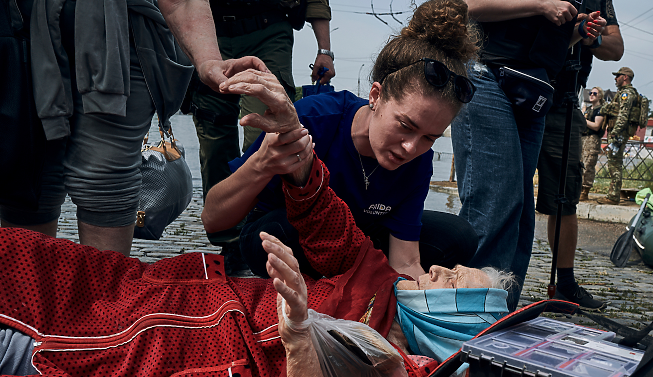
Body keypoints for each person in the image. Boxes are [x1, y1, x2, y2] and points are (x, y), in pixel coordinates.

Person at [0, 128, 510, 377]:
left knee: (52, 346)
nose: (435, 271)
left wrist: (300, 334)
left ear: (456, 324)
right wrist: (296, 148)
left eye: (451, 280)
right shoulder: (382, 278)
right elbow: (328, 222)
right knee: (35, 259)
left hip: (183, 347)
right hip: (177, 292)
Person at [201, 0, 479, 281]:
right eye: (405, 126)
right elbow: (212, 219)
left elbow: (405, 260)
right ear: (376, 96)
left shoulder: (418, 159)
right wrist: (262, 164)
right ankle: (345, 278)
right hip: (289, 228)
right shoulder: (312, 118)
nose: (411, 147)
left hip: (358, 234)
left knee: (459, 236)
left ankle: (359, 278)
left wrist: (429, 296)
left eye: (429, 137)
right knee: (278, 232)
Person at [0, 0, 268, 257]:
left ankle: (104, 288)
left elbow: (180, 1)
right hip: (21, 34)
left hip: (122, 39)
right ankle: (26, 288)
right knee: (28, 178)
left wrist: (208, 59)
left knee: (106, 180)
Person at [452, 2, 604, 310]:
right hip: (486, 72)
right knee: (494, 200)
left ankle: (501, 311)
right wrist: (542, 4)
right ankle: (470, 311)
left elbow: (549, 38)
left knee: (520, 208)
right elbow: (467, 5)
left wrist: (577, 31)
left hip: (533, 85)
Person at [190, 0, 335, 273]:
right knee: (214, 139)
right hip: (210, 34)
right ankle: (229, 243)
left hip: (268, 30)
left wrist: (324, 50)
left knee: (267, 137)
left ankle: (262, 235)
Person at [534, 0, 622, 310]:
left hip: (564, 103)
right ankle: (493, 277)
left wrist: (590, 36)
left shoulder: (597, 0)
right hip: (519, 89)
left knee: (565, 199)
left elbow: (616, 48)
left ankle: (565, 284)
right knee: (507, 192)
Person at [597, 66, 639, 205]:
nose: (615, 78)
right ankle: (613, 194)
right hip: (618, 132)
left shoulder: (626, 94)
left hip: (618, 133)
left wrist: (615, 133)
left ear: (625, 77)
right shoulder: (623, 93)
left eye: (618, 76)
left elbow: (623, 115)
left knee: (614, 163)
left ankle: (613, 196)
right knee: (614, 162)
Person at [580, 86, 606, 201]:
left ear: (600, 96)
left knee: (588, 165)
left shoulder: (600, 110)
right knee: (581, 164)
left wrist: (583, 120)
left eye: (594, 94)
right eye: (590, 93)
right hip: (583, 137)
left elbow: (596, 126)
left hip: (592, 139)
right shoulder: (588, 109)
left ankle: (585, 190)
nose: (591, 95)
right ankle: (579, 188)